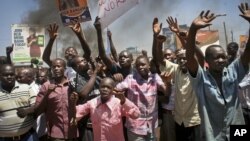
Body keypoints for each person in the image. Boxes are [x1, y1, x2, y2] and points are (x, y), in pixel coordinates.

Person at [185, 3, 250, 140]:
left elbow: (248, 53)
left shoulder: (233, 71)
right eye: (216, 57)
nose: (221, 60)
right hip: (212, 135)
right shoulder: (201, 79)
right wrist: (193, 29)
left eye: (223, 57)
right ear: (207, 59)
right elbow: (190, 56)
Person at [17, 58, 78, 140]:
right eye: (54, 67)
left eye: (59, 66)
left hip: (72, 132)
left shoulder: (72, 84)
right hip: (56, 133)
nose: (56, 69)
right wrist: (48, 93)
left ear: (65, 68)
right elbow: (38, 110)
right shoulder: (46, 86)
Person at [116, 55, 169, 141]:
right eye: (138, 65)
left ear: (149, 65)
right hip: (135, 126)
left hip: (151, 125)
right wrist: (115, 81)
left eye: (143, 64)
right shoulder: (130, 79)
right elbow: (116, 89)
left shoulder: (155, 77)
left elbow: (166, 92)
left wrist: (167, 82)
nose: (140, 67)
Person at [74, 77, 141, 141]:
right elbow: (76, 113)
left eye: (108, 87)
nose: (105, 89)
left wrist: (124, 101)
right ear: (99, 88)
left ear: (113, 89)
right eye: (103, 86)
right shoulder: (93, 103)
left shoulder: (119, 103)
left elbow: (136, 115)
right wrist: (73, 102)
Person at [0, 64, 38, 141]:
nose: (9, 77)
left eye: (12, 74)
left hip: (28, 136)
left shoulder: (26, 88)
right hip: (4, 138)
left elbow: (37, 105)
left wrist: (27, 111)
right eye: (6, 75)